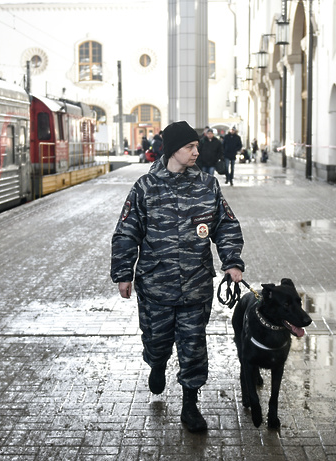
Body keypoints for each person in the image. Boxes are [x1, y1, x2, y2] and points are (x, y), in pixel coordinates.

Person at [111, 120, 245, 432]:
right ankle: (157, 365)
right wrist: (123, 273)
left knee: (194, 347)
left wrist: (232, 261)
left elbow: (225, 225)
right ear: (174, 150)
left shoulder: (207, 186)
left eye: (197, 146)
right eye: (190, 147)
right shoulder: (145, 188)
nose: (197, 151)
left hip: (196, 286)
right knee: (157, 343)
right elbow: (127, 232)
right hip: (156, 286)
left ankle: (190, 405)